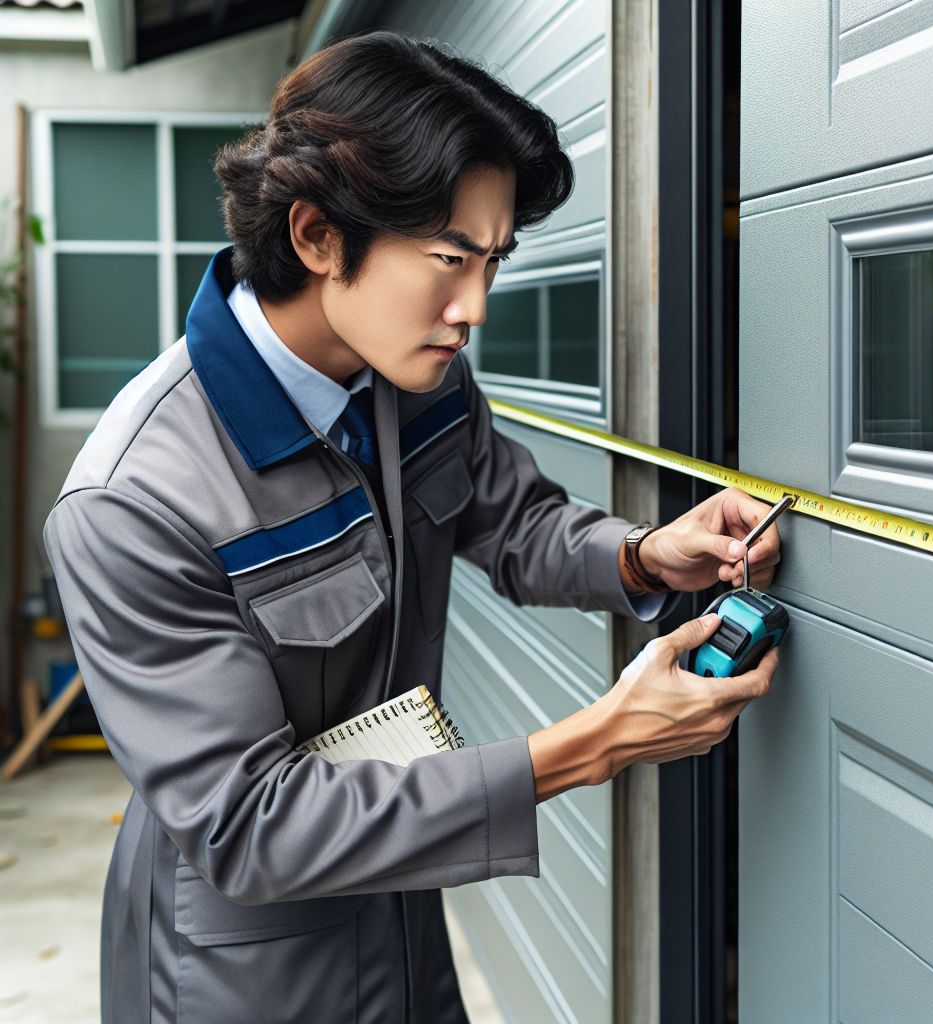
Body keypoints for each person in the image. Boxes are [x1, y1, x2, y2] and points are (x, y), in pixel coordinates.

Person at [44, 31, 781, 1024]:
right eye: (447, 258)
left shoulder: (414, 375)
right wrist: (597, 741)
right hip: (243, 969)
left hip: (400, 903)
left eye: (491, 260)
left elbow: (513, 521)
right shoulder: (134, 502)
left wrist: (645, 553)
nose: (473, 305)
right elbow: (249, 827)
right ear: (314, 236)